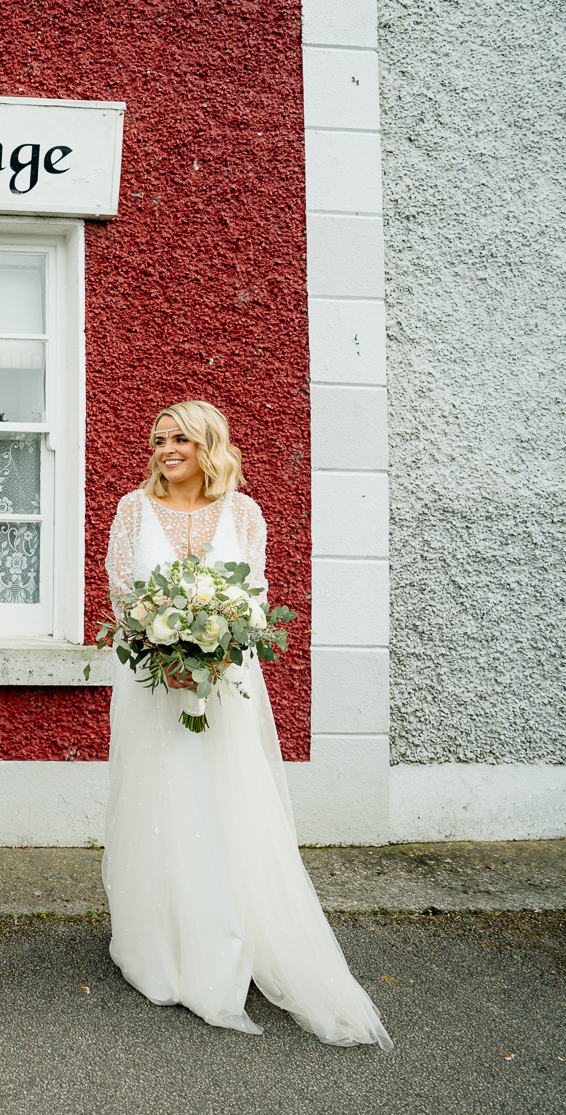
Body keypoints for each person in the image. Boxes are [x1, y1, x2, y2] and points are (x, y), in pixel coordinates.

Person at [101, 400, 391, 1049]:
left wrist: (217, 652)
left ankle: (226, 934)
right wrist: (161, 652)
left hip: (226, 688)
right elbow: (124, 597)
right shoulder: (132, 510)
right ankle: (160, 943)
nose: (166, 448)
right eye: (158, 439)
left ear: (210, 444)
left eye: (180, 438)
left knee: (225, 801)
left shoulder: (244, 514)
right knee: (162, 801)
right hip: (155, 688)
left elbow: (252, 599)